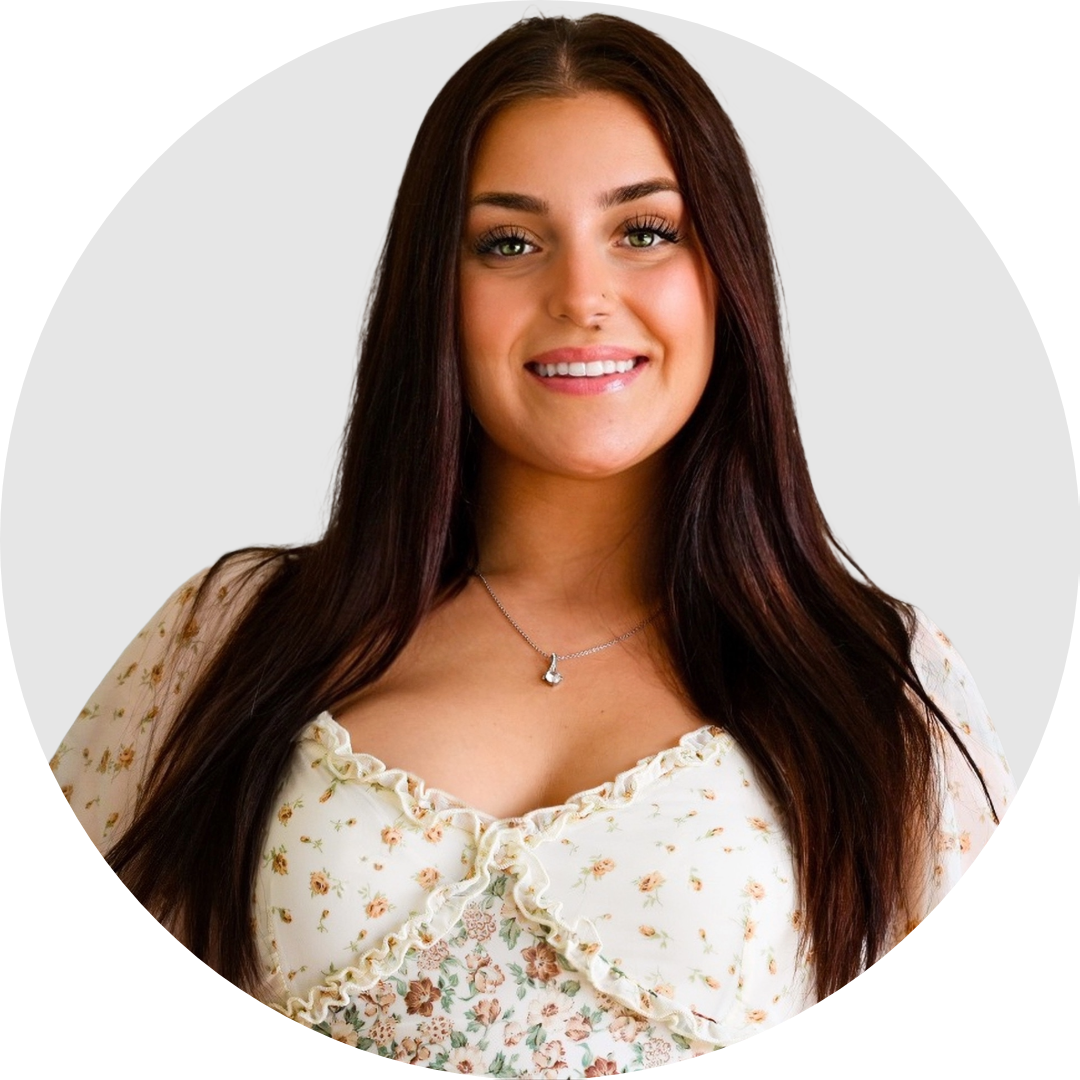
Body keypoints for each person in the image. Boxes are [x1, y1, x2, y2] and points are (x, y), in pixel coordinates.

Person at [51, 13, 1016, 1075]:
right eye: (509, 241)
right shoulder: (228, 635)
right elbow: (62, 990)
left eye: (645, 231)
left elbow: (955, 1043)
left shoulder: (885, 681)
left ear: (726, 275)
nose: (582, 296)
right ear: (437, 294)